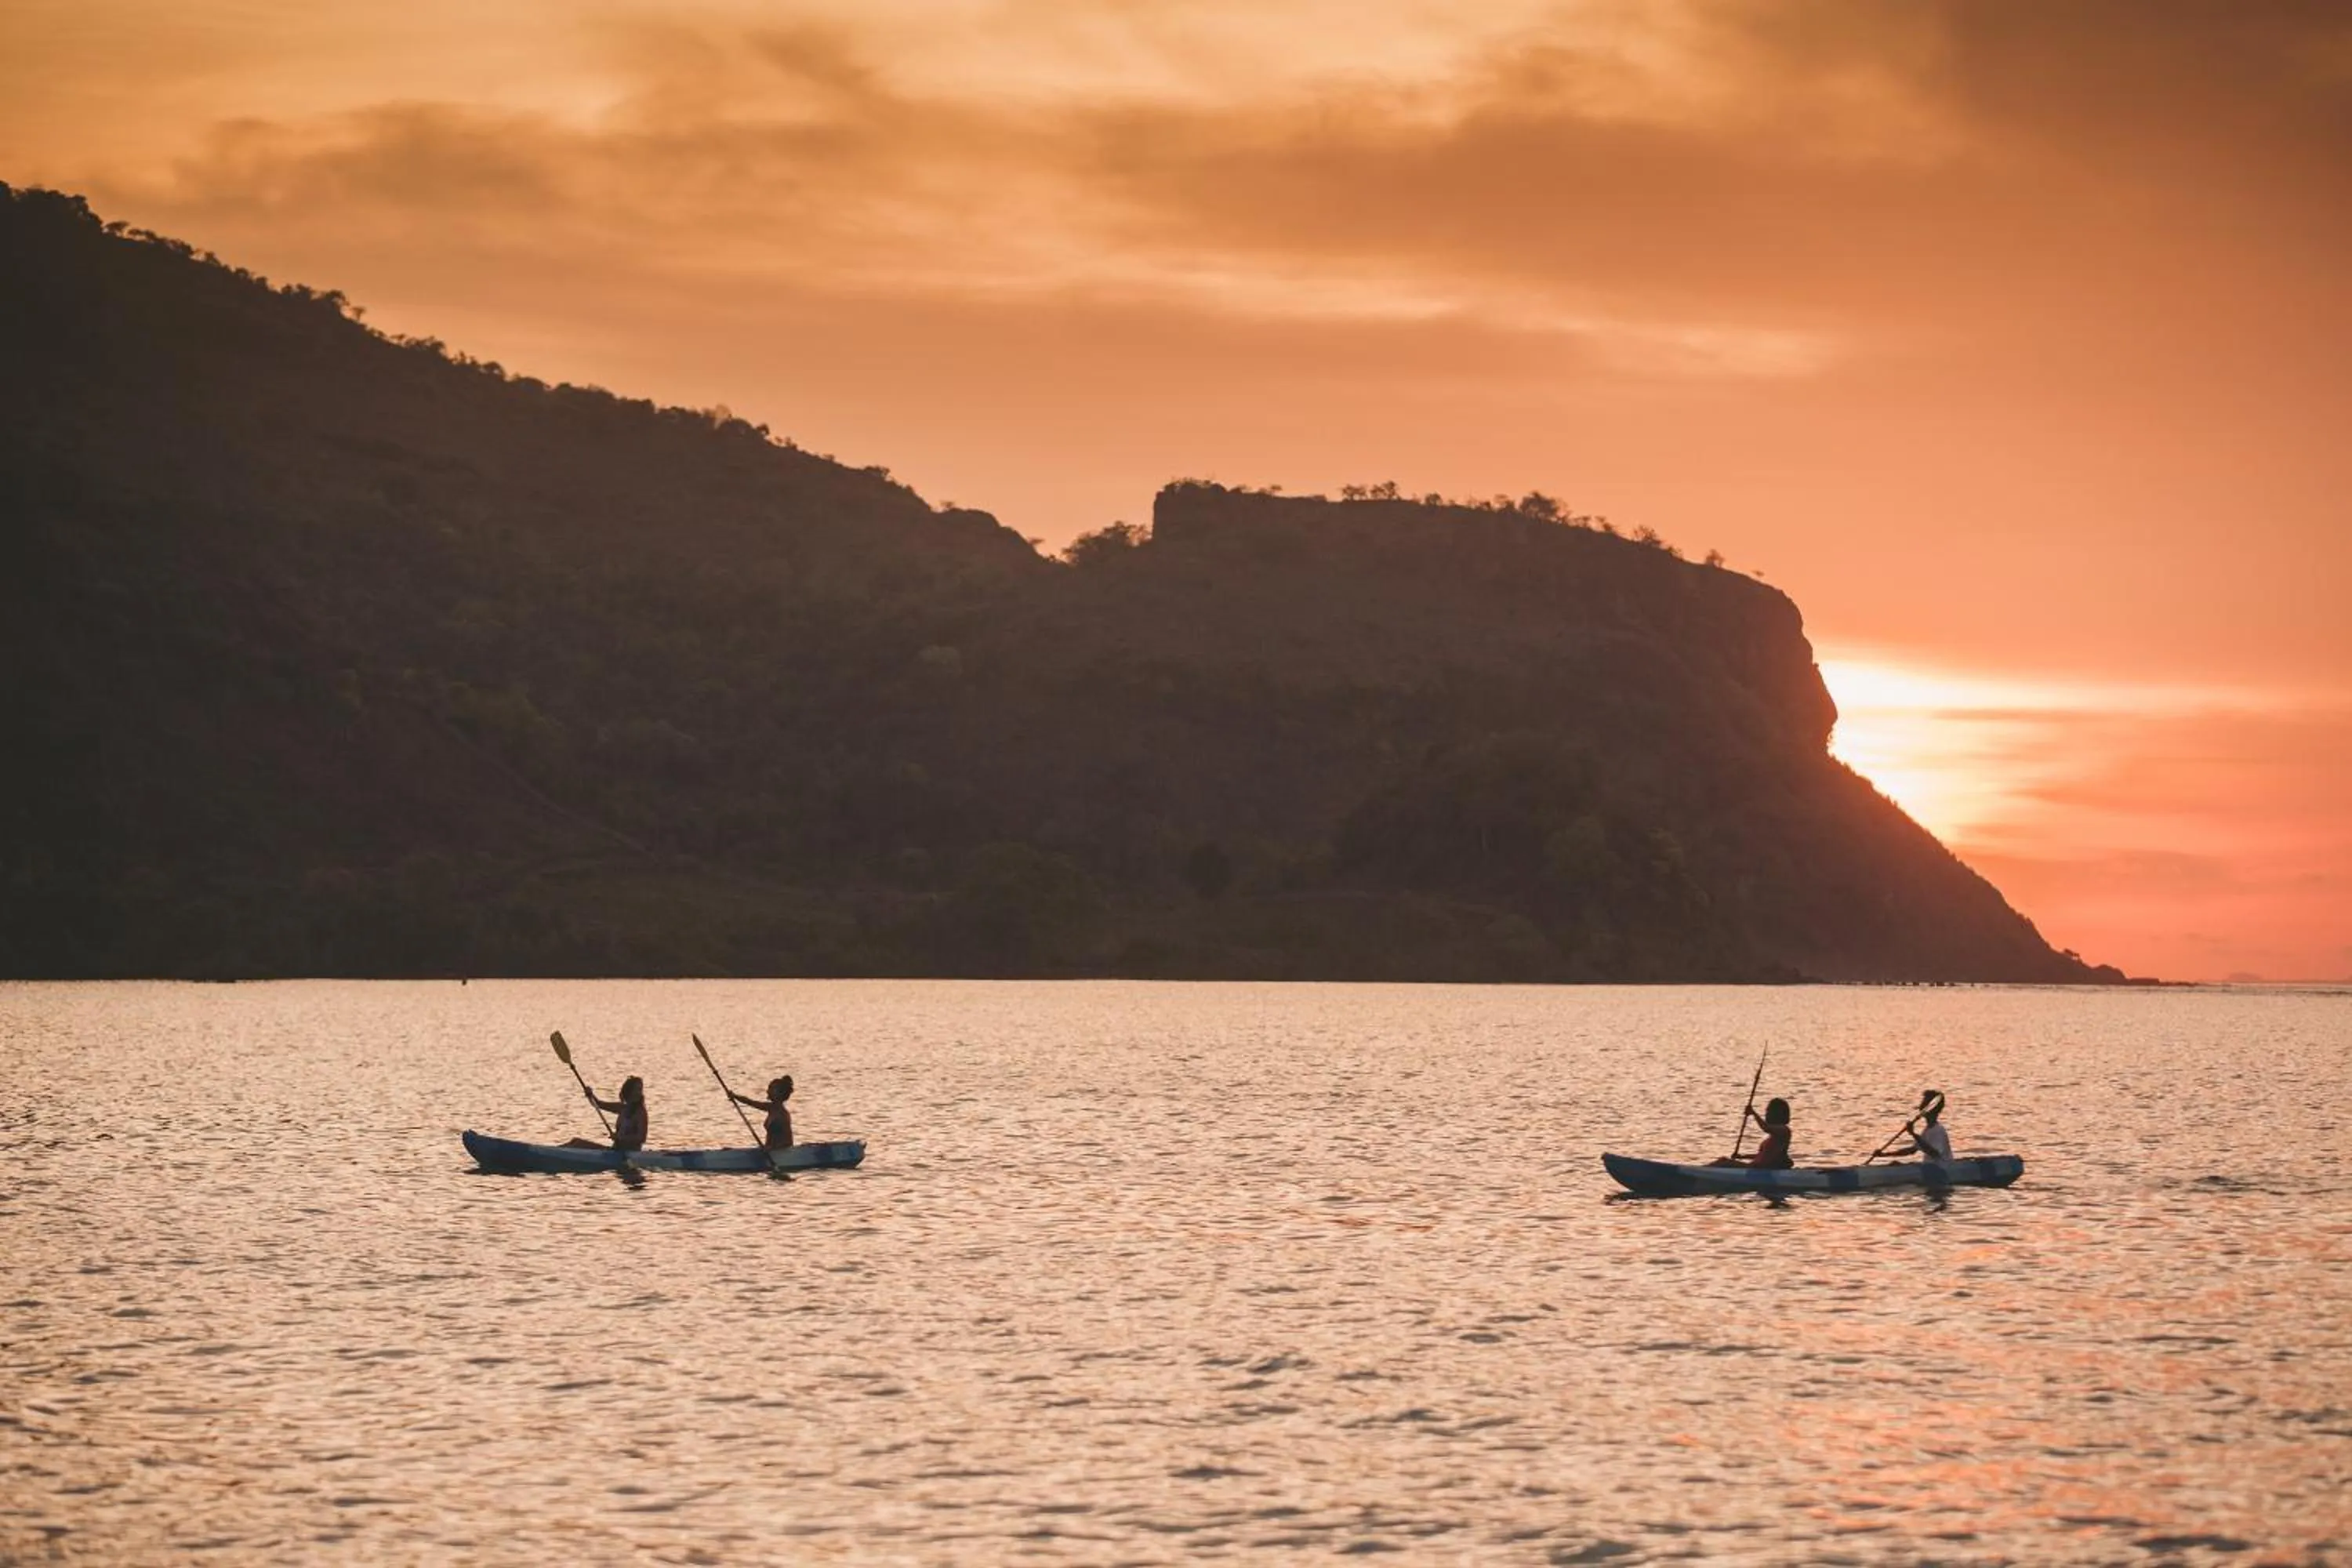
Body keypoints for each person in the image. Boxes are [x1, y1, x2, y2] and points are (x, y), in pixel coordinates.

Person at [1711, 1097, 1794, 1169]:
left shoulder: (1784, 1130)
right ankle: (1702, 1171)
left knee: (1723, 1162)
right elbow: (1763, 1156)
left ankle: (1701, 1172)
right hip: (1756, 1168)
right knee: (1723, 1161)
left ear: (1776, 1114)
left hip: (1760, 1170)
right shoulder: (1773, 1136)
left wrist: (1753, 1113)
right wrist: (1742, 1157)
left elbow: (1765, 1128)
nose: (1766, 1114)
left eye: (1768, 1111)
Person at [728, 1075, 794, 1151]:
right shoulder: (770, 1108)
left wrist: (771, 1149)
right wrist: (735, 1096)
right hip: (769, 1150)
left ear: (780, 1093)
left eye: (771, 1088)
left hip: (778, 1153)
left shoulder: (783, 1115)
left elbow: (788, 1142)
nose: (767, 1091)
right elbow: (750, 1102)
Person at [584, 1075, 649, 1152]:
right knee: (575, 1143)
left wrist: (620, 1137)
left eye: (640, 1089)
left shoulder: (641, 1112)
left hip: (629, 1153)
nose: (639, 1093)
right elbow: (598, 1104)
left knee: (576, 1144)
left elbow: (642, 1138)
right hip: (616, 1151)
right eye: (636, 1089)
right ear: (629, 1091)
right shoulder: (622, 1108)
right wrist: (590, 1095)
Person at [1893, 1089, 1951, 1163]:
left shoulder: (1938, 1130)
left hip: (1941, 1170)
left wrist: (1913, 1134)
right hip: (1930, 1168)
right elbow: (1912, 1150)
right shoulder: (1927, 1130)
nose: (1920, 1107)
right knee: (1896, 1164)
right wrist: (1883, 1155)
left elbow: (1934, 1154)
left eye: (1923, 1103)